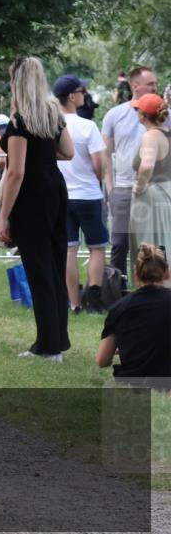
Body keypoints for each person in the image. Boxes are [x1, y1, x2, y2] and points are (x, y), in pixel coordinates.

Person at [0, 57, 75, 362]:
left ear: (18, 82)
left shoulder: (19, 121)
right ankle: (58, 340)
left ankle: (47, 346)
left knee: (38, 268)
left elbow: (15, 172)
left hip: (31, 194)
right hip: (55, 188)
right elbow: (68, 152)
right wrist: (44, 152)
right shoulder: (52, 114)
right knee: (54, 265)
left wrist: (4, 216)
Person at [53, 73, 109, 313]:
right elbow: (99, 163)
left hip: (63, 195)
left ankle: (74, 302)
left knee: (69, 249)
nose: (85, 95)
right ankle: (94, 300)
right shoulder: (87, 126)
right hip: (87, 194)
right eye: (82, 92)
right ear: (72, 96)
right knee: (97, 247)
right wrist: (98, 178)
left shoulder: (53, 125)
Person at [104, 65, 161, 281]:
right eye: (150, 84)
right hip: (123, 189)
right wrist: (110, 188)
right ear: (135, 86)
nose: (155, 87)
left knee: (153, 245)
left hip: (155, 190)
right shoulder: (115, 115)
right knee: (119, 244)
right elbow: (105, 155)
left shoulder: (165, 115)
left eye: (155, 83)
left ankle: (155, 291)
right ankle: (117, 291)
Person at [96, 243, 171, 385]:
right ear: (167, 273)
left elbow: (102, 360)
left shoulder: (119, 307)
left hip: (131, 385)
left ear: (136, 274)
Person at [129, 93, 171, 262]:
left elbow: (147, 165)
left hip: (151, 196)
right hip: (167, 193)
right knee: (164, 245)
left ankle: (153, 286)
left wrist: (139, 187)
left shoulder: (150, 136)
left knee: (150, 248)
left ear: (142, 116)